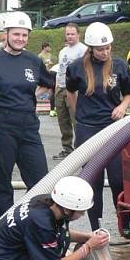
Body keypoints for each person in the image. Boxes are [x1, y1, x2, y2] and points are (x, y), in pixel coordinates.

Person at [0, 12, 55, 219]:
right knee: (2, 183)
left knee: (40, 182)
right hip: (1, 125)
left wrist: (34, 96)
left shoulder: (33, 60)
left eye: (24, 35)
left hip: (28, 126)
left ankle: (28, 224)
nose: (20, 39)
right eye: (16, 34)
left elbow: (49, 82)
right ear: (6, 34)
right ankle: (1, 231)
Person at [65, 22, 130, 230]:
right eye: (100, 49)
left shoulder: (120, 65)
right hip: (87, 128)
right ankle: (97, 227)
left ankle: (125, 226)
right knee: (92, 180)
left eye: (108, 48)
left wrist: (123, 106)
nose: (105, 52)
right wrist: (78, 114)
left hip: (112, 126)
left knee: (118, 179)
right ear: (91, 49)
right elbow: (70, 92)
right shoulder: (76, 66)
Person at [53, 24, 87, 160]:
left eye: (72, 34)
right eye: (67, 34)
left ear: (78, 34)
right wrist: (57, 86)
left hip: (75, 89)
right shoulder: (63, 51)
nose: (70, 36)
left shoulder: (83, 50)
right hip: (60, 88)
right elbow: (60, 70)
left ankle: (81, 149)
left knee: (76, 119)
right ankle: (67, 148)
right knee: (63, 120)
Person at [38, 42, 56, 117]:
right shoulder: (40, 56)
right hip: (44, 74)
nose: (49, 48)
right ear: (44, 47)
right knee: (46, 88)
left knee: (52, 88)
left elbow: (51, 62)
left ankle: (52, 106)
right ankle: (40, 98)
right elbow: (39, 66)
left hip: (50, 72)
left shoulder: (49, 55)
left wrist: (50, 64)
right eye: (48, 47)